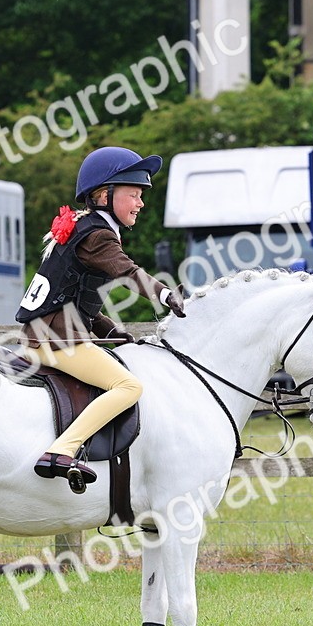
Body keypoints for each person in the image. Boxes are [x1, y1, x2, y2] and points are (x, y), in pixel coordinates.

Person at [15, 146, 186, 491]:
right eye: (134, 194)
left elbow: (79, 300)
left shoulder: (86, 227)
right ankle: (62, 450)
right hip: (56, 339)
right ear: (104, 195)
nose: (141, 203)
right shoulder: (98, 234)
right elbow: (128, 272)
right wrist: (165, 294)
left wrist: (112, 329)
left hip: (49, 331)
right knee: (129, 386)